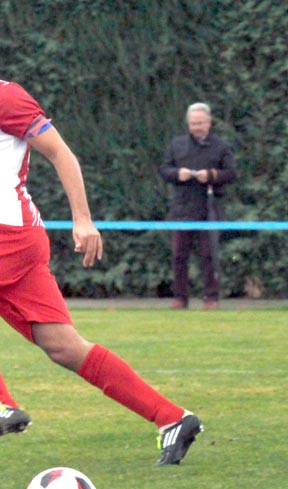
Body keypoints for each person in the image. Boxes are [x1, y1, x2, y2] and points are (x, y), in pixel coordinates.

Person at [0, 79, 202, 465]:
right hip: (16, 244)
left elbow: (61, 153)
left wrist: (83, 220)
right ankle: (172, 418)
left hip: (10, 235)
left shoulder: (6, 96)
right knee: (64, 346)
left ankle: (3, 405)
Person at [158, 102, 236, 310]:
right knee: (179, 256)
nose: (197, 127)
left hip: (210, 208)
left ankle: (211, 298)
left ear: (209, 123)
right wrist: (177, 174)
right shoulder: (177, 145)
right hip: (182, 209)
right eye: (193, 124)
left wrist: (211, 175)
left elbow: (231, 173)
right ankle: (180, 299)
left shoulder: (221, 146)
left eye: (200, 123)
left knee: (210, 255)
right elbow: (164, 170)